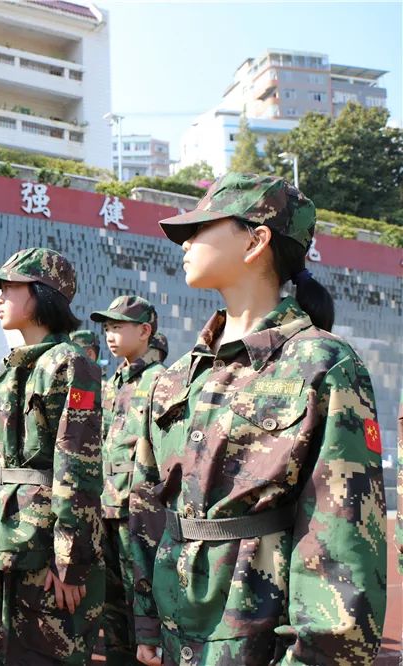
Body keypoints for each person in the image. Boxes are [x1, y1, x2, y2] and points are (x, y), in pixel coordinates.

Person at [130, 173, 387, 665]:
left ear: (256, 239)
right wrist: (146, 618)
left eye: (200, 228)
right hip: (176, 631)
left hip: (259, 638)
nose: (185, 242)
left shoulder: (322, 364)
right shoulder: (178, 377)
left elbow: (341, 533)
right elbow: (148, 505)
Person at [0, 248, 105, 664]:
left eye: (11, 287)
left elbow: (77, 467)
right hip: (7, 538)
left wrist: (70, 562)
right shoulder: (9, 368)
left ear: (43, 294)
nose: (0, 296)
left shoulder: (71, 365)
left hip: (48, 548)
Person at [89, 295, 166, 665]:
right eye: (107, 328)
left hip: (139, 516)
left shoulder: (160, 381)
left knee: (146, 613)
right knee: (113, 612)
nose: (110, 335)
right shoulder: (113, 381)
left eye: (118, 327)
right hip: (107, 508)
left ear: (145, 331)